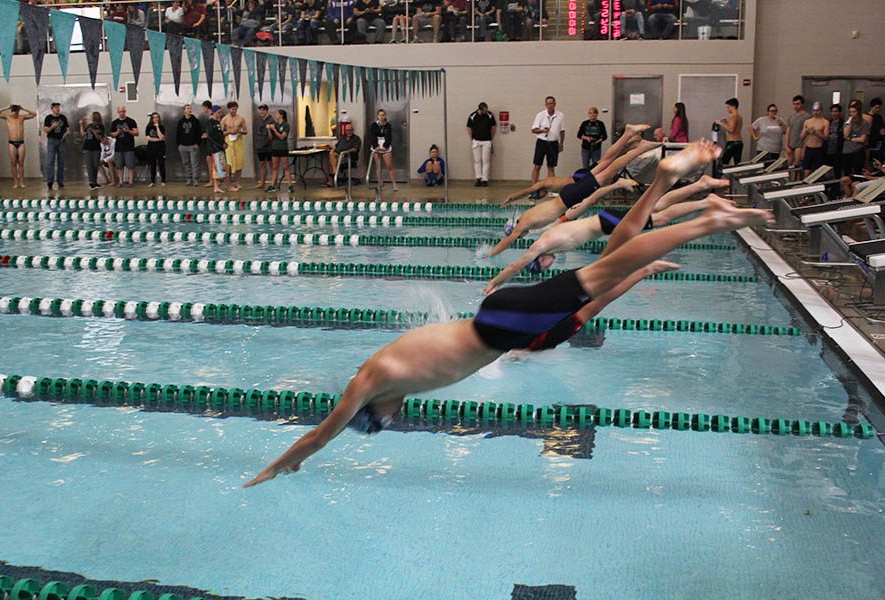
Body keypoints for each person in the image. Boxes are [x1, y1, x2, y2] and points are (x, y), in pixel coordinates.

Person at [243, 141, 774, 486]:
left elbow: (322, 431)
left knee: (601, 276)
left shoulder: (372, 382)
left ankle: (709, 219)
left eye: (385, 421)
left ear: (375, 410)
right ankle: (663, 183)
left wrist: (288, 461)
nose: (396, 418)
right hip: (498, 318)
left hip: (501, 326)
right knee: (613, 261)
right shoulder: (384, 372)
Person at [483, 175, 730, 294]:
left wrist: (494, 283)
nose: (550, 265)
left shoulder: (543, 244)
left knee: (660, 217)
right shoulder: (552, 242)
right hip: (606, 220)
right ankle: (701, 187)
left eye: (545, 266)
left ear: (540, 260)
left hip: (607, 223)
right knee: (656, 210)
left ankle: (704, 200)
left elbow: (516, 266)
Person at [492, 125, 656, 257]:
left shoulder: (524, 223)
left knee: (610, 168)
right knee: (607, 164)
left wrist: (492, 253)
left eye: (518, 235)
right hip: (569, 192)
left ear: (515, 228)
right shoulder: (527, 217)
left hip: (570, 195)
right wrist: (511, 199)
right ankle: (629, 137)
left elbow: (508, 241)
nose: (521, 236)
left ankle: (639, 147)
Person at [0, 104, 35, 189]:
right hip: (12, 143)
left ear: (19, 111)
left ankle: (21, 182)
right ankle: (15, 182)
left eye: (17, 111)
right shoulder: (7, 117)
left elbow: (34, 114)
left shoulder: (22, 117)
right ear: (12, 110)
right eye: (15, 111)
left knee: (21, 163)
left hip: (21, 143)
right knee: (13, 163)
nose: (16, 113)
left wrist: (23, 108)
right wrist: (6, 107)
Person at [530, 96, 566, 190]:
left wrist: (561, 144)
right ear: (545, 105)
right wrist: (542, 130)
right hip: (542, 143)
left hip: (553, 143)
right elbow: (533, 130)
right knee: (537, 165)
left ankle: (551, 188)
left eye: (552, 103)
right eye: (548, 103)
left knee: (551, 167)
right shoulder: (540, 115)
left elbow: (562, 131)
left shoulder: (560, 115)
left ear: (555, 104)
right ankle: (534, 188)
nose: (550, 105)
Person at [467, 101, 496, 187]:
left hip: (487, 141)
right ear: (480, 110)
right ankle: (478, 178)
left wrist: (491, 137)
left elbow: (493, 126)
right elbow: (469, 127)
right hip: (476, 141)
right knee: (477, 160)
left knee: (486, 160)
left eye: (487, 110)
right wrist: (472, 137)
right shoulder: (472, 116)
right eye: (484, 111)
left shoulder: (490, 115)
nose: (486, 112)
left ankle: (485, 179)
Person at [41, 102, 70, 191]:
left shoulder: (63, 118)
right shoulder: (48, 118)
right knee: (50, 161)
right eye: (56, 107)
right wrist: (52, 127)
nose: (57, 109)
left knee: (61, 161)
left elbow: (67, 129)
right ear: (52, 109)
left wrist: (65, 134)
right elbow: (46, 130)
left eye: (58, 107)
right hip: (52, 140)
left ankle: (60, 180)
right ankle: (50, 181)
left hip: (61, 140)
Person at [221, 101, 248, 191]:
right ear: (229, 109)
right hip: (229, 142)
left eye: (235, 109)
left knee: (239, 162)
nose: (234, 111)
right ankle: (228, 184)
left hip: (238, 142)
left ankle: (238, 182)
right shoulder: (224, 119)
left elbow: (246, 131)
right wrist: (229, 132)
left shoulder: (241, 118)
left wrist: (239, 131)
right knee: (229, 163)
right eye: (232, 109)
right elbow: (220, 133)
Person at [110, 105, 139, 187]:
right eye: (120, 111)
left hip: (129, 146)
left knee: (130, 165)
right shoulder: (114, 122)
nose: (122, 113)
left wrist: (129, 131)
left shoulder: (131, 121)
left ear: (125, 111)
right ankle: (121, 182)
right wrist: (118, 132)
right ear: (118, 112)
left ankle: (130, 182)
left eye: (123, 111)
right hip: (119, 147)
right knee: (119, 166)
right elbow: (112, 134)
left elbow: (137, 133)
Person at [369, 109, 398, 191]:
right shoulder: (373, 125)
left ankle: (394, 185)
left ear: (385, 116)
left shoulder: (388, 125)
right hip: (376, 146)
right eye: (380, 115)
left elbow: (389, 136)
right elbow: (372, 136)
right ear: (377, 116)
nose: (381, 117)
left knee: (389, 166)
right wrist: (376, 146)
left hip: (385, 146)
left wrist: (385, 146)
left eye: (383, 115)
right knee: (378, 166)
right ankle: (381, 183)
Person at [799, 102, 830, 177]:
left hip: (819, 149)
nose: (815, 112)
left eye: (817, 110)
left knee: (819, 172)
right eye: (814, 110)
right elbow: (801, 137)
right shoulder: (807, 122)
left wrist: (816, 132)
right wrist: (806, 131)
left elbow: (826, 137)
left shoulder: (825, 122)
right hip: (809, 148)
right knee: (807, 170)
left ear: (821, 111)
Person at [176, 104, 202, 186]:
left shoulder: (195, 121)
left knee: (194, 163)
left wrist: (197, 143)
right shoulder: (180, 122)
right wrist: (179, 144)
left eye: (190, 108)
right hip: (183, 146)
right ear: (184, 110)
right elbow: (178, 133)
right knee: (186, 163)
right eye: (187, 108)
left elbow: (199, 132)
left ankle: (195, 180)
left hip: (193, 145)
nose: (189, 110)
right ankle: (188, 179)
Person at [266, 109, 291, 192]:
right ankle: (273, 185)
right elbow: (270, 138)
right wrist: (269, 130)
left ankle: (290, 185)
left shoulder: (286, 125)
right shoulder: (275, 124)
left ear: (281, 115)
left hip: (283, 148)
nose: (275, 116)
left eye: (277, 114)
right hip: (275, 147)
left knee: (285, 167)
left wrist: (274, 130)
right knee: (275, 167)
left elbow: (282, 137)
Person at [79, 111, 106, 190]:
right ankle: (91, 182)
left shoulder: (100, 126)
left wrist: (94, 132)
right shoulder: (89, 125)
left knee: (95, 165)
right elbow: (83, 134)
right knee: (89, 165)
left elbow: (99, 138)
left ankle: (94, 181)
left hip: (96, 147)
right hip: (87, 146)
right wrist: (81, 125)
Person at [842, 103, 870, 177]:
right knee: (847, 173)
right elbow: (845, 135)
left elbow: (862, 139)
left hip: (858, 150)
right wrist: (849, 122)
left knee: (856, 173)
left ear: (858, 112)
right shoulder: (848, 122)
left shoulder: (864, 123)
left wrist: (850, 138)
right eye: (850, 112)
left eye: (854, 112)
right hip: (847, 151)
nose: (852, 114)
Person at [206, 105, 229, 193]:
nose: (220, 114)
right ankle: (216, 186)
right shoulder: (211, 122)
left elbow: (220, 135)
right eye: (218, 112)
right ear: (213, 112)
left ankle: (218, 186)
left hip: (218, 147)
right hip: (215, 148)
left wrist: (224, 143)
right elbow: (211, 137)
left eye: (221, 112)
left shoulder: (216, 122)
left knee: (220, 168)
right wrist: (220, 145)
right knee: (216, 168)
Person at [715, 97, 743, 166]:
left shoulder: (732, 116)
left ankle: (724, 176)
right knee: (737, 164)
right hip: (739, 142)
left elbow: (731, 130)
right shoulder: (739, 117)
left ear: (733, 106)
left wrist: (720, 123)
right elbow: (734, 128)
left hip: (732, 143)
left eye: (728, 107)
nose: (727, 109)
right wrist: (726, 123)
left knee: (723, 163)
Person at [784, 95, 810, 169]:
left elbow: (807, 134)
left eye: (798, 104)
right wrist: (786, 145)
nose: (796, 106)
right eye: (794, 104)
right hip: (791, 144)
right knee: (788, 165)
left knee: (797, 165)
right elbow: (788, 131)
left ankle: (796, 179)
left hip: (800, 145)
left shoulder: (806, 116)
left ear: (802, 104)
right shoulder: (791, 117)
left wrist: (804, 149)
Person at [254, 104, 275, 189]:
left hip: (268, 146)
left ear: (267, 111)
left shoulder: (271, 120)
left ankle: (274, 183)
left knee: (271, 164)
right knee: (262, 164)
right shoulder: (258, 120)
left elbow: (272, 136)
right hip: (260, 146)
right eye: (260, 110)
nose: (261, 112)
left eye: (263, 110)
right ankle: (262, 182)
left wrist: (269, 129)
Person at [144, 112, 167, 187]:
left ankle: (163, 181)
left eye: (157, 117)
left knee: (161, 164)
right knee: (152, 165)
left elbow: (161, 137)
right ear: (152, 119)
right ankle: (152, 181)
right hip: (151, 148)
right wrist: (157, 139)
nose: (156, 119)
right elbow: (147, 138)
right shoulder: (148, 127)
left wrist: (157, 127)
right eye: (154, 117)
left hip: (161, 148)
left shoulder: (162, 126)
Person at [825, 103, 845, 179]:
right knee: (827, 169)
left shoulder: (843, 123)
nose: (834, 113)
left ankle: (836, 187)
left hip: (838, 149)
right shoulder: (828, 122)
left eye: (836, 111)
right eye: (832, 111)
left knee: (837, 169)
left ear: (839, 112)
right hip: (828, 148)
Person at [199, 100, 215, 187]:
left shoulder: (211, 117)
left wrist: (206, 135)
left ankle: (212, 180)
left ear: (206, 107)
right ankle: (213, 180)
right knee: (210, 160)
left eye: (203, 108)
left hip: (211, 142)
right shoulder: (212, 116)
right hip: (211, 141)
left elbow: (213, 130)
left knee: (210, 160)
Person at [867, 97, 883, 162]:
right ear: (871, 107)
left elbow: (882, 131)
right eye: (876, 107)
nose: (878, 109)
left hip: (877, 142)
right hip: (868, 142)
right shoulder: (865, 117)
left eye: (879, 108)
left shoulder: (879, 117)